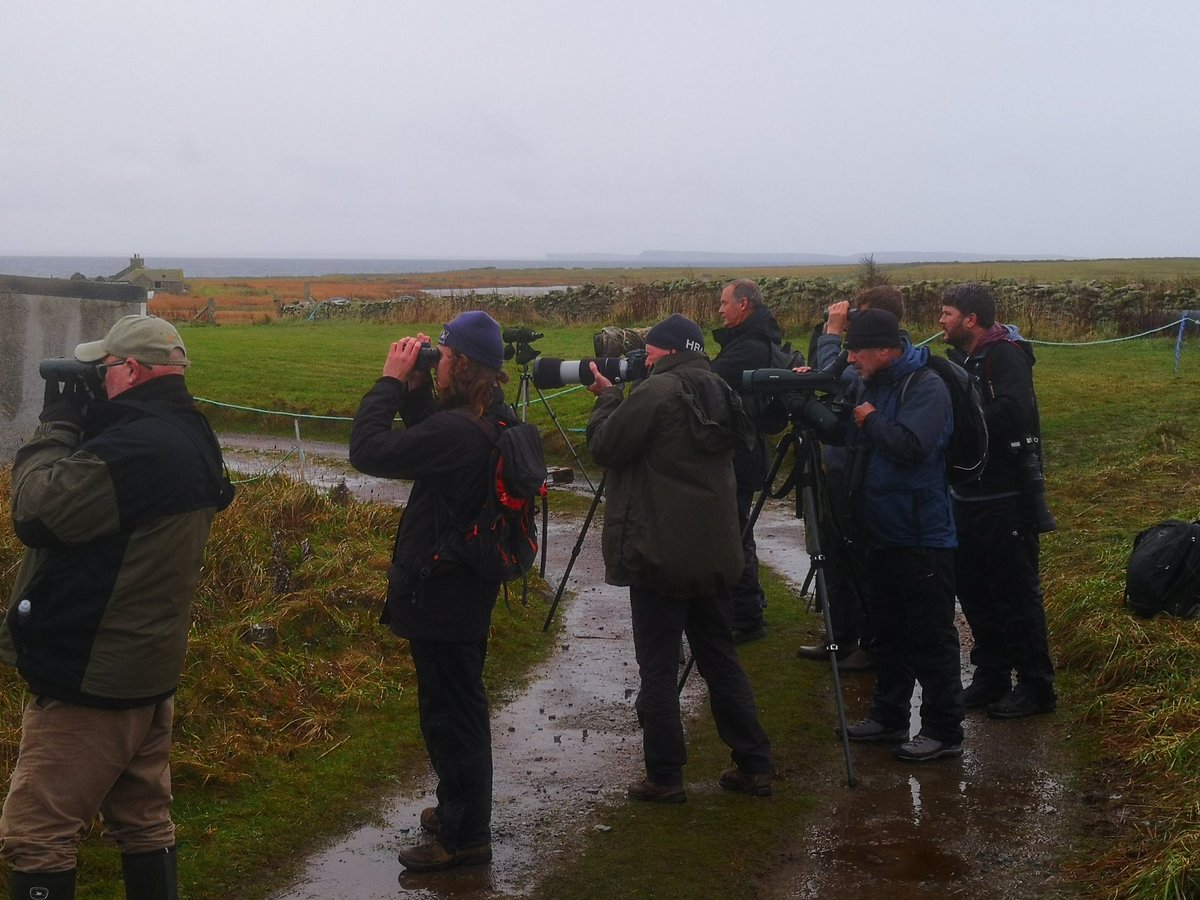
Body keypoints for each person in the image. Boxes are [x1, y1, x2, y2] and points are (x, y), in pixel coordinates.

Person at [0, 314, 234, 899]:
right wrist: (98, 419)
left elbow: (35, 509)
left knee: (36, 833)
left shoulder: (137, 449)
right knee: (143, 820)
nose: (96, 382)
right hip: (144, 667)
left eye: (103, 371)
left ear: (130, 370)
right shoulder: (186, 434)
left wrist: (56, 423)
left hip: (91, 675)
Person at [585, 313, 773, 802]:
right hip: (713, 552)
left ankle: (665, 776)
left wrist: (608, 398)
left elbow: (607, 446)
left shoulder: (657, 392)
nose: (643, 356)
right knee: (720, 659)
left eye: (649, 349)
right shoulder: (720, 388)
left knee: (658, 667)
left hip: (659, 554)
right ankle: (754, 763)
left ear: (668, 350)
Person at [349, 311, 512, 873]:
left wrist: (391, 382)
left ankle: (464, 837)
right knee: (459, 705)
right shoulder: (489, 417)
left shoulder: (455, 432)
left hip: (443, 594)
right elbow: (432, 449)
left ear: (460, 363)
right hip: (468, 584)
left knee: (451, 717)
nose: (432, 360)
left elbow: (368, 450)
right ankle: (458, 811)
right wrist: (420, 392)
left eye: (440, 354)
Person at [836, 309, 965, 762]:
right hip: (881, 530)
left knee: (930, 636)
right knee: (887, 631)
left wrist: (870, 419)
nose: (851, 358)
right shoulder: (872, 381)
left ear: (886, 350)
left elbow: (914, 446)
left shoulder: (926, 386)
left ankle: (943, 730)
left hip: (922, 534)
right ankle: (888, 716)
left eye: (858, 350)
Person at [940, 283, 1057, 719]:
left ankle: (1036, 687)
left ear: (971, 319)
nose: (941, 320)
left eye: (948, 313)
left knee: (1016, 595)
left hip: (1007, 497)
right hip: (969, 496)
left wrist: (958, 422)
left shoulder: (1005, 355)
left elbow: (1013, 411)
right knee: (974, 591)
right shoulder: (965, 359)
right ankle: (991, 676)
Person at [798, 286, 907, 670]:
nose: (852, 323)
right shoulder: (866, 355)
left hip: (855, 469)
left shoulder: (882, 359)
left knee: (856, 557)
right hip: (839, 464)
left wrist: (831, 333)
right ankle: (840, 636)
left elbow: (836, 378)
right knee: (834, 555)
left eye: (860, 317)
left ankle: (866, 642)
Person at [710, 279, 784, 643]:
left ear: (743, 304)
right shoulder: (755, 340)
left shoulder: (749, 349)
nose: (720, 309)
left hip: (741, 454)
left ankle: (746, 616)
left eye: (724, 303)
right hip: (747, 451)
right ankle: (746, 607)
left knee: (734, 534)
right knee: (737, 532)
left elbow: (707, 381)